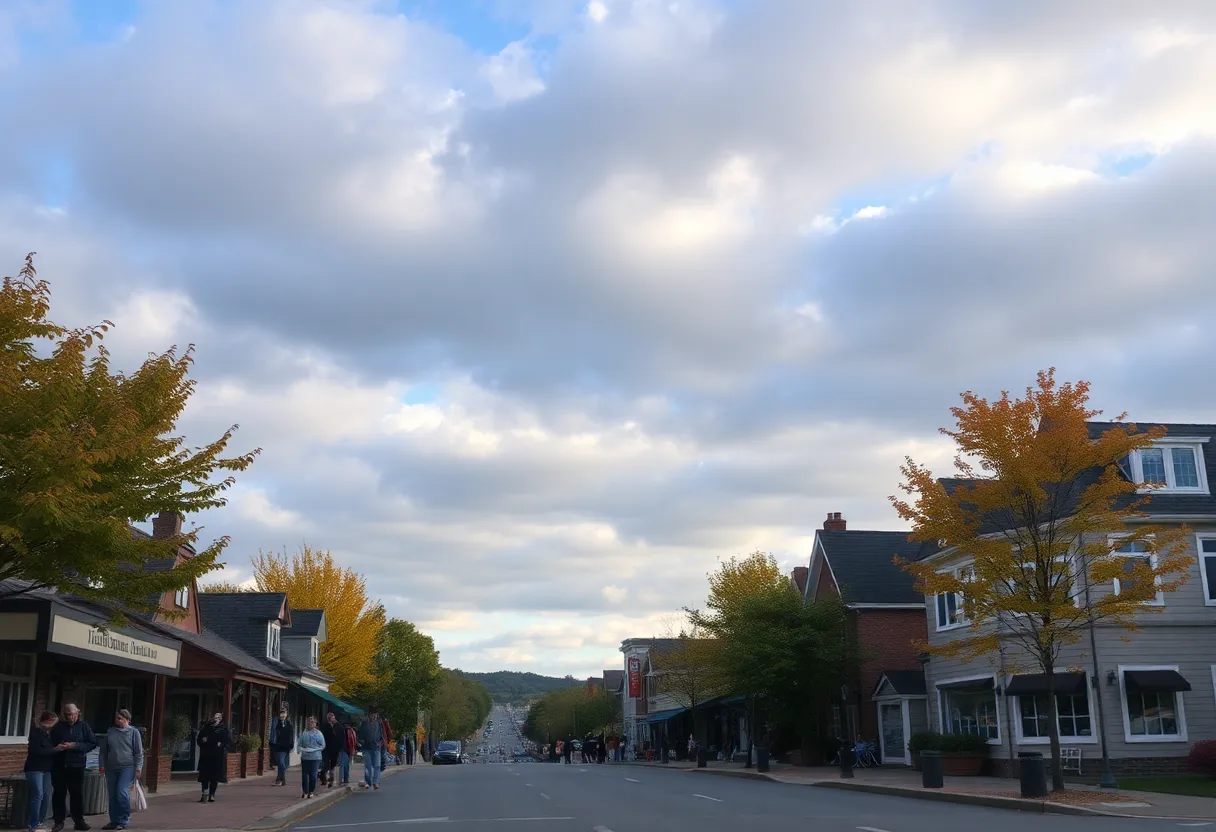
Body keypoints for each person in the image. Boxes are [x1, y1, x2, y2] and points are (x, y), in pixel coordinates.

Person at [50, 703, 97, 832]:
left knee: (76, 793)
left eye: (72, 714)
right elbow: (50, 744)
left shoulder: (83, 726)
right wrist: (58, 747)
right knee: (59, 793)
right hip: (59, 764)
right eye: (67, 715)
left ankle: (79, 821)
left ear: (77, 713)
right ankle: (58, 821)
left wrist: (75, 746)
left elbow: (92, 743)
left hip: (77, 765)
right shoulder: (58, 727)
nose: (70, 717)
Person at [99, 709, 143, 831]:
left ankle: (124, 819)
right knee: (112, 794)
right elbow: (103, 751)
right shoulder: (110, 732)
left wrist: (138, 768)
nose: (117, 720)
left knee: (121, 792)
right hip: (111, 767)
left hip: (127, 767)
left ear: (127, 720)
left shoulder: (134, 732)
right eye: (116, 718)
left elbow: (139, 752)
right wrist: (101, 765)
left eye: (120, 718)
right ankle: (114, 821)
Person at [25, 710, 58, 832]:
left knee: (46, 795)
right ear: (49, 721)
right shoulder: (36, 732)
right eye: (53, 722)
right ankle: (33, 824)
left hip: (47, 768)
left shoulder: (49, 734)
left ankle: (40, 822)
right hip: (34, 768)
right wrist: (55, 750)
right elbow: (36, 750)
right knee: (38, 794)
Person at [195, 712, 229, 803]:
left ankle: (212, 794)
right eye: (215, 717)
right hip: (206, 755)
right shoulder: (206, 728)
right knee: (204, 776)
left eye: (218, 717)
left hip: (217, 756)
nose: (216, 718)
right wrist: (203, 740)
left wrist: (221, 744)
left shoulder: (223, 729)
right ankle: (204, 793)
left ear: (220, 719)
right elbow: (199, 740)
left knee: (214, 777)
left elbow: (227, 741)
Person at [297, 717, 325, 799]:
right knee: (305, 776)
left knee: (313, 775)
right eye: (309, 722)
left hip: (315, 757)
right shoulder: (304, 733)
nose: (310, 723)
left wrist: (314, 749)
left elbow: (323, 745)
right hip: (305, 757)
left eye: (312, 722)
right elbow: (299, 744)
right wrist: (301, 749)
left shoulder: (318, 734)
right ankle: (305, 791)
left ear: (315, 724)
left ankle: (311, 791)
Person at [356, 708, 383, 790]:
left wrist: (380, 742)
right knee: (368, 766)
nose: (375, 716)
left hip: (376, 747)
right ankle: (368, 782)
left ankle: (375, 782)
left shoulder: (378, 723)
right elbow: (359, 735)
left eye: (376, 715)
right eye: (373, 715)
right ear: (369, 715)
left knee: (377, 765)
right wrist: (361, 742)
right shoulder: (364, 723)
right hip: (366, 748)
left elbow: (381, 734)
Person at [269, 709, 294, 787]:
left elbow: (291, 736)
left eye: (284, 714)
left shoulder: (289, 725)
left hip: (285, 747)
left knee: (281, 762)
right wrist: (272, 743)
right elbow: (273, 733)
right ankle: (279, 779)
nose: (282, 715)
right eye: (281, 713)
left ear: (286, 715)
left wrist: (290, 745)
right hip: (277, 746)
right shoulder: (276, 723)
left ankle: (282, 779)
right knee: (279, 763)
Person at [320, 713, 342, 788]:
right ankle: (324, 778)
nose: (330, 719)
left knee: (333, 765)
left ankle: (331, 779)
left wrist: (340, 747)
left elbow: (341, 737)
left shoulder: (338, 726)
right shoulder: (324, 726)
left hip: (335, 749)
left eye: (332, 717)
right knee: (325, 765)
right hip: (326, 749)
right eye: (329, 718)